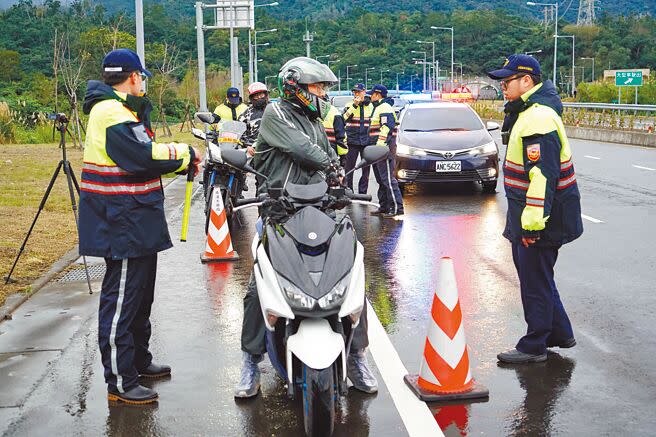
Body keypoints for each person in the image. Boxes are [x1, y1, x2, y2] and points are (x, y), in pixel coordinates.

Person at [235, 57, 378, 398]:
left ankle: (357, 354)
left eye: (324, 88)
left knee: (351, 274)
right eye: (316, 87)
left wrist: (340, 178)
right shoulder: (276, 113)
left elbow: (327, 153)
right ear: (295, 88)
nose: (321, 94)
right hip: (279, 211)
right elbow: (305, 152)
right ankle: (250, 361)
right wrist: (330, 163)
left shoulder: (314, 120)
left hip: (320, 209)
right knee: (260, 287)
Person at [79, 48, 201, 404]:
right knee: (121, 302)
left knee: (140, 297)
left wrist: (181, 163)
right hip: (123, 220)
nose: (143, 82)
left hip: (137, 216)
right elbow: (141, 157)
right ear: (132, 77)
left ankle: (138, 362)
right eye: (142, 76)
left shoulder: (124, 109)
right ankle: (120, 381)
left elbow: (144, 158)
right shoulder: (110, 112)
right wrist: (185, 153)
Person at [487, 54, 583, 364]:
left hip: (541, 218)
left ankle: (534, 345)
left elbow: (542, 176)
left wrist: (531, 226)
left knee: (534, 279)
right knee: (540, 275)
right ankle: (560, 332)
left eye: (508, 81)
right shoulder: (527, 111)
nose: (503, 86)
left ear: (527, 81)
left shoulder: (537, 118)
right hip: (537, 214)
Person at [367, 84, 404, 218]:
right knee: (381, 180)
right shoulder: (377, 107)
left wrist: (379, 147)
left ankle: (396, 208)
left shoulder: (385, 108)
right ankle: (384, 207)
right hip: (378, 150)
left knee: (388, 179)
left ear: (378, 95)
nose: (370, 96)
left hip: (383, 149)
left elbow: (385, 129)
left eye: (372, 94)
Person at [343, 83, 374, 194]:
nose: (356, 94)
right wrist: (354, 106)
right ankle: (348, 190)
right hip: (352, 140)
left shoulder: (370, 106)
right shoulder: (349, 104)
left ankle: (363, 192)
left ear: (364, 92)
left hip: (367, 141)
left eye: (358, 91)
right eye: (355, 92)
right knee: (349, 168)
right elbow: (344, 119)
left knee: (366, 169)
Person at [238, 81, 270, 158]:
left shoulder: (274, 109)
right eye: (256, 96)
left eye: (261, 95)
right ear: (252, 98)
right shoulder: (246, 113)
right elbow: (239, 132)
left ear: (266, 95)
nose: (259, 97)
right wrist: (247, 146)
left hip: (272, 148)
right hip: (252, 150)